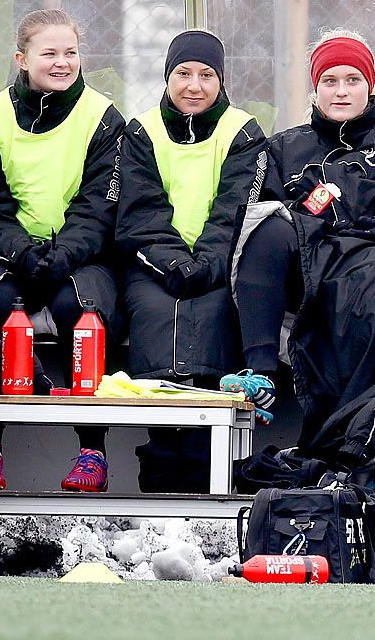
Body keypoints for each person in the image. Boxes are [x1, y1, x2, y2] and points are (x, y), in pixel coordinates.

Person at [230, 30, 375, 438]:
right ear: (315, 90)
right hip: (298, 280)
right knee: (266, 225)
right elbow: (250, 220)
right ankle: (260, 372)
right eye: (330, 81)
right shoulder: (281, 148)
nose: (340, 92)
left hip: (370, 284)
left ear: (371, 85)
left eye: (352, 80)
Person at [0, 9, 125, 493]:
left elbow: (101, 205)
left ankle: (92, 453)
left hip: (80, 256)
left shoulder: (103, 116)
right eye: (49, 53)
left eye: (71, 53)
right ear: (22, 58)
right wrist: (21, 252)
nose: (62, 63)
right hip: (6, 256)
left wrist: (61, 256)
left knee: (83, 312)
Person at [115, 30, 268, 491]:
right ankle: (160, 454)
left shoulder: (242, 130)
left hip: (221, 264)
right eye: (183, 73)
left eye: (206, 75)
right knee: (155, 311)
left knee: (215, 310)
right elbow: (139, 210)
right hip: (155, 265)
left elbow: (238, 209)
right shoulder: (141, 131)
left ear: (221, 82)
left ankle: (204, 454)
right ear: (167, 78)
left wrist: (204, 264)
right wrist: (173, 263)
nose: (194, 86)